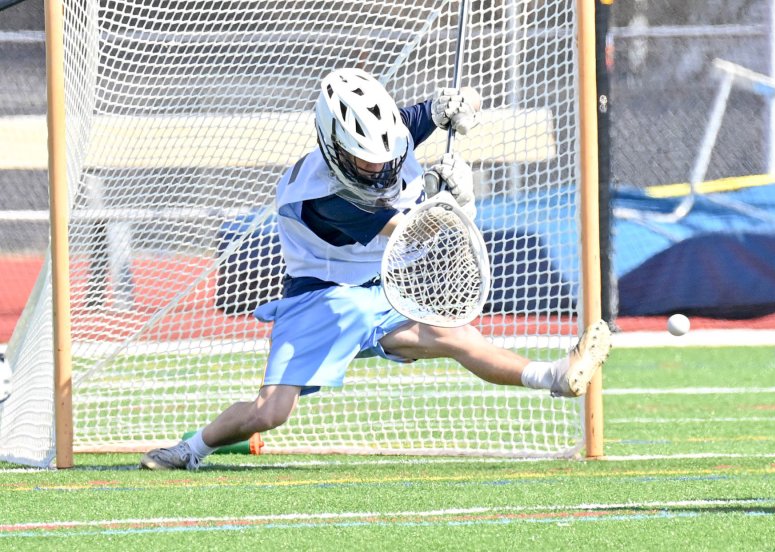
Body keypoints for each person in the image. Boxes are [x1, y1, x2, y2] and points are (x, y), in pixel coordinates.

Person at [140, 68, 611, 470]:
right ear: (333, 149)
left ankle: (555, 376)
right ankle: (191, 448)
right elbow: (411, 232)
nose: (378, 168)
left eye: (382, 157)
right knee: (270, 413)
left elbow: (421, 118)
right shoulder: (318, 198)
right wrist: (455, 199)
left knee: (458, 336)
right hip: (322, 302)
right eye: (364, 162)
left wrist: (454, 104)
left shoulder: (383, 140)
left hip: (378, 291)